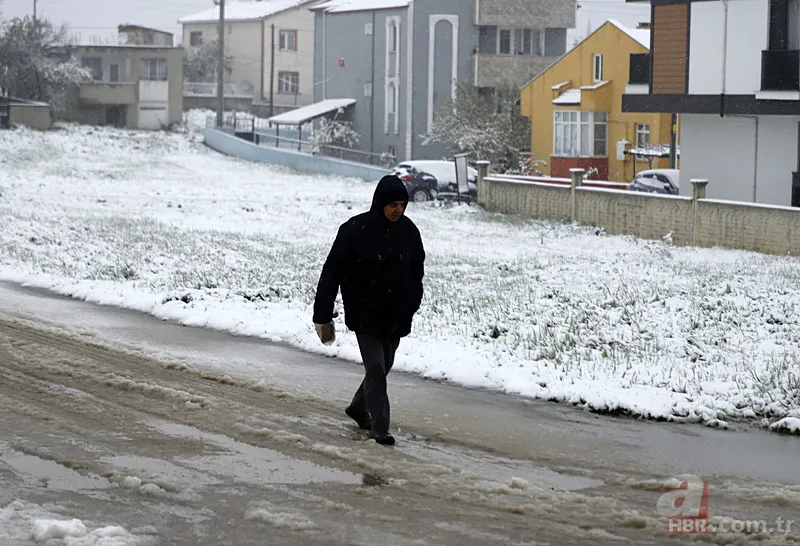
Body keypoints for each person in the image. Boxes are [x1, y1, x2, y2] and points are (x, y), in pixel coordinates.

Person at [313, 175, 425, 446]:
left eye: (402, 204)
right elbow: (332, 272)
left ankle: (357, 407)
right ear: (380, 203)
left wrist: (411, 305)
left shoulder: (409, 232)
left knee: (384, 366)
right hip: (364, 312)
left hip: (395, 314)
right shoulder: (355, 230)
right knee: (375, 368)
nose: (398, 210)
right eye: (393, 205)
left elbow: (416, 274)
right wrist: (322, 316)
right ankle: (380, 427)